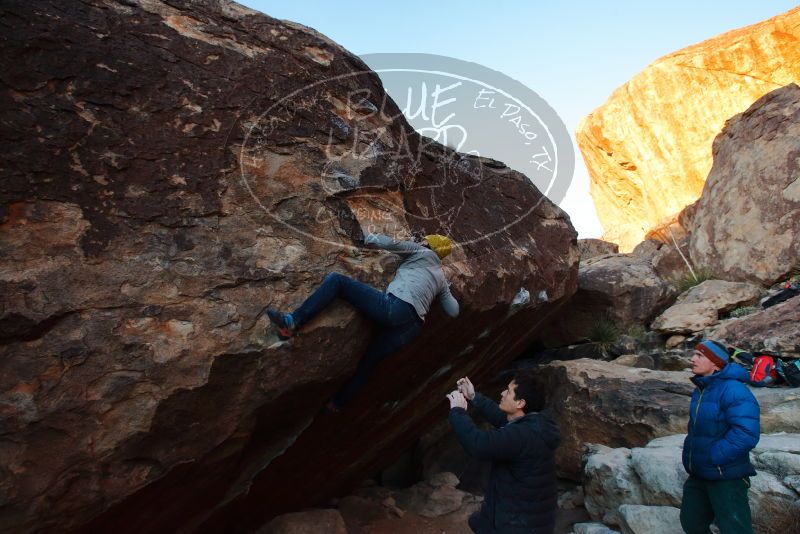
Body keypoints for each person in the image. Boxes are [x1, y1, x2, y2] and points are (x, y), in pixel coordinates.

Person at [267, 231, 459, 410]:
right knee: (370, 360)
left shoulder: (421, 252)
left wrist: (367, 236)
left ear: (429, 244)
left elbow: (391, 243)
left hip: (396, 308)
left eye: (425, 240)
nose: (422, 241)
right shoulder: (440, 277)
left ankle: (292, 322)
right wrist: (443, 288)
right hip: (410, 328)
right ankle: (337, 403)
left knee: (337, 281)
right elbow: (454, 311)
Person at [447, 373, 561, 534]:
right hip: (530, 518)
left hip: (517, 524)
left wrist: (457, 411)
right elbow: (503, 419)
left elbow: (478, 444)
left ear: (520, 403)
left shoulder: (523, 435)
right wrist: (474, 396)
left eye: (508, 391)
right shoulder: (536, 424)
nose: (502, 393)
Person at [680, 340, 760, 534]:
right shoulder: (701, 389)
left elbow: (747, 433)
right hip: (699, 472)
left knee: (735, 529)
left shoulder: (734, 390)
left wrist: (714, 457)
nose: (693, 359)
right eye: (694, 354)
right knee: (691, 522)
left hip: (725, 475)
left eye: (700, 355)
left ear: (715, 363)